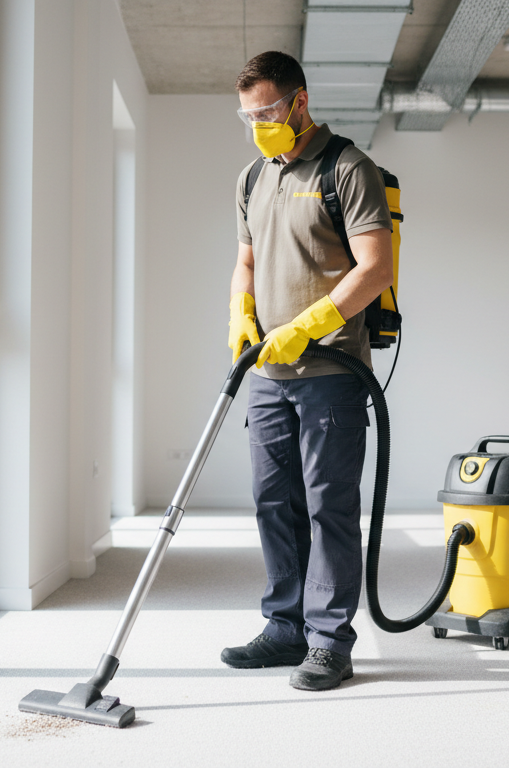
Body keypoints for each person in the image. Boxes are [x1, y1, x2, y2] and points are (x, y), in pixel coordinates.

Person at [221, 51, 395, 691]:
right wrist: (242, 314)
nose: (258, 123)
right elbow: (245, 263)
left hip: (330, 370)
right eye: (247, 116)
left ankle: (329, 641)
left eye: (266, 110)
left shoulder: (348, 168)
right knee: (274, 503)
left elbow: (374, 267)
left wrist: (307, 327)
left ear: (299, 102)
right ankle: (285, 629)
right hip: (266, 373)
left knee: (328, 508)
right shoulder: (251, 177)